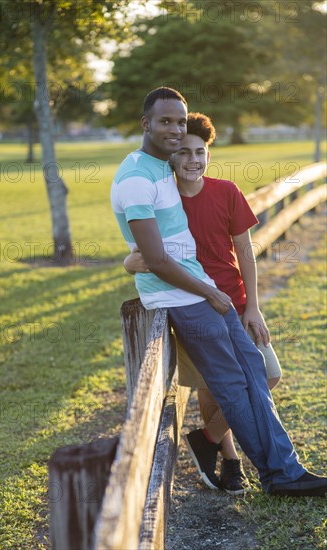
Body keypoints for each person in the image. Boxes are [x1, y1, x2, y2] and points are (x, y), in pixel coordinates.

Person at [110, 86, 327, 497]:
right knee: (232, 388)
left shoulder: (159, 168)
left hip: (210, 294)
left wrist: (226, 296)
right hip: (186, 300)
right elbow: (154, 259)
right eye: (166, 122)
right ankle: (275, 474)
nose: (175, 131)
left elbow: (171, 243)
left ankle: (285, 467)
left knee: (256, 378)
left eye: (179, 121)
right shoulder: (137, 177)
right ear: (146, 123)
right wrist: (207, 292)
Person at [123, 112, 282, 495]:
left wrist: (253, 307)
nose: (193, 159)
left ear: (208, 154)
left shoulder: (226, 191)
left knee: (267, 374)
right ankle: (230, 461)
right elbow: (144, 251)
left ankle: (207, 439)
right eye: (184, 152)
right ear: (172, 157)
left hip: (236, 303)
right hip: (194, 304)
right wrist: (129, 262)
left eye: (201, 151)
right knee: (215, 388)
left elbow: (246, 252)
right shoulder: (163, 199)